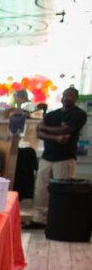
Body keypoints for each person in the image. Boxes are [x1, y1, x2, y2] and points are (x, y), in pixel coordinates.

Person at [31, 87, 87, 227]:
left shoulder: (79, 114)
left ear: (76, 98)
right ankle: (39, 220)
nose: (66, 98)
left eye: (69, 95)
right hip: (47, 156)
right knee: (41, 190)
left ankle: (60, 219)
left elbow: (66, 130)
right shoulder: (52, 114)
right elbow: (39, 131)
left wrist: (46, 130)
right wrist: (56, 138)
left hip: (65, 158)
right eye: (64, 95)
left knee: (63, 190)